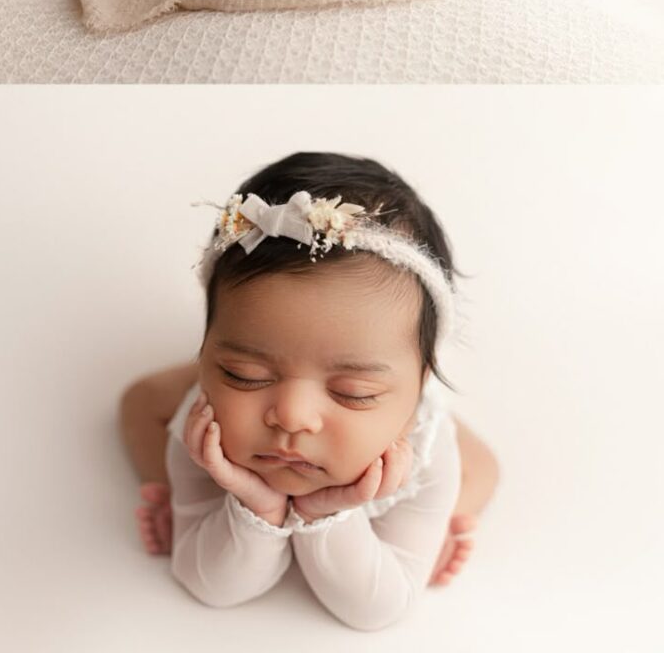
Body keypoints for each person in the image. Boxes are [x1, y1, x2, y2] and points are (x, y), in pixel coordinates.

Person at [119, 152, 499, 630]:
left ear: (419, 386)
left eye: (354, 392)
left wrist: (328, 514)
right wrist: (249, 505)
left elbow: (375, 612)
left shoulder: (425, 445)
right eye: (243, 374)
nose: (292, 416)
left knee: (479, 470)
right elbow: (213, 587)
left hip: (403, 449)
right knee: (143, 401)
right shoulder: (205, 425)